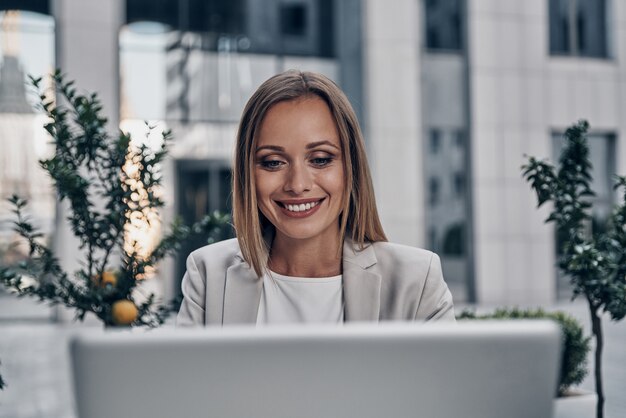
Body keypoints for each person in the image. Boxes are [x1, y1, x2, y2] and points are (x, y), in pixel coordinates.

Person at [176, 70, 454, 326]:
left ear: (351, 167)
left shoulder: (416, 280)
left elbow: (444, 381)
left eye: (320, 159)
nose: (298, 185)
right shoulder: (207, 274)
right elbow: (185, 381)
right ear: (248, 174)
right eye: (273, 162)